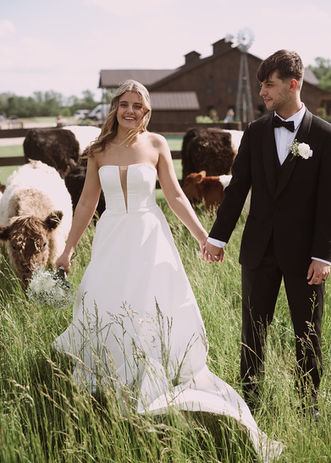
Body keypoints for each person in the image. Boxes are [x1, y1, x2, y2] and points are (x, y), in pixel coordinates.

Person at [53, 80, 282, 460]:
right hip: (112, 236)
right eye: (124, 104)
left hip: (149, 234)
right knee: (107, 301)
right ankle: (112, 377)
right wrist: (68, 249)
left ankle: (154, 371)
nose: (130, 111)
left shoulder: (156, 144)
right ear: (115, 108)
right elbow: (86, 204)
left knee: (151, 302)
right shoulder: (97, 151)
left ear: (147, 110)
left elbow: (174, 195)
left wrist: (202, 237)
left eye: (137, 105)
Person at [203, 50, 331, 419]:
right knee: (252, 332)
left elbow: (328, 202)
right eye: (260, 85)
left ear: (293, 84)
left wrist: (323, 255)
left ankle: (308, 407)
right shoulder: (256, 132)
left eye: (268, 84)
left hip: (306, 257)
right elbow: (238, 188)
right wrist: (217, 238)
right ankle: (249, 403)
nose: (262, 92)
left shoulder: (324, 136)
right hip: (258, 251)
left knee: (307, 334)